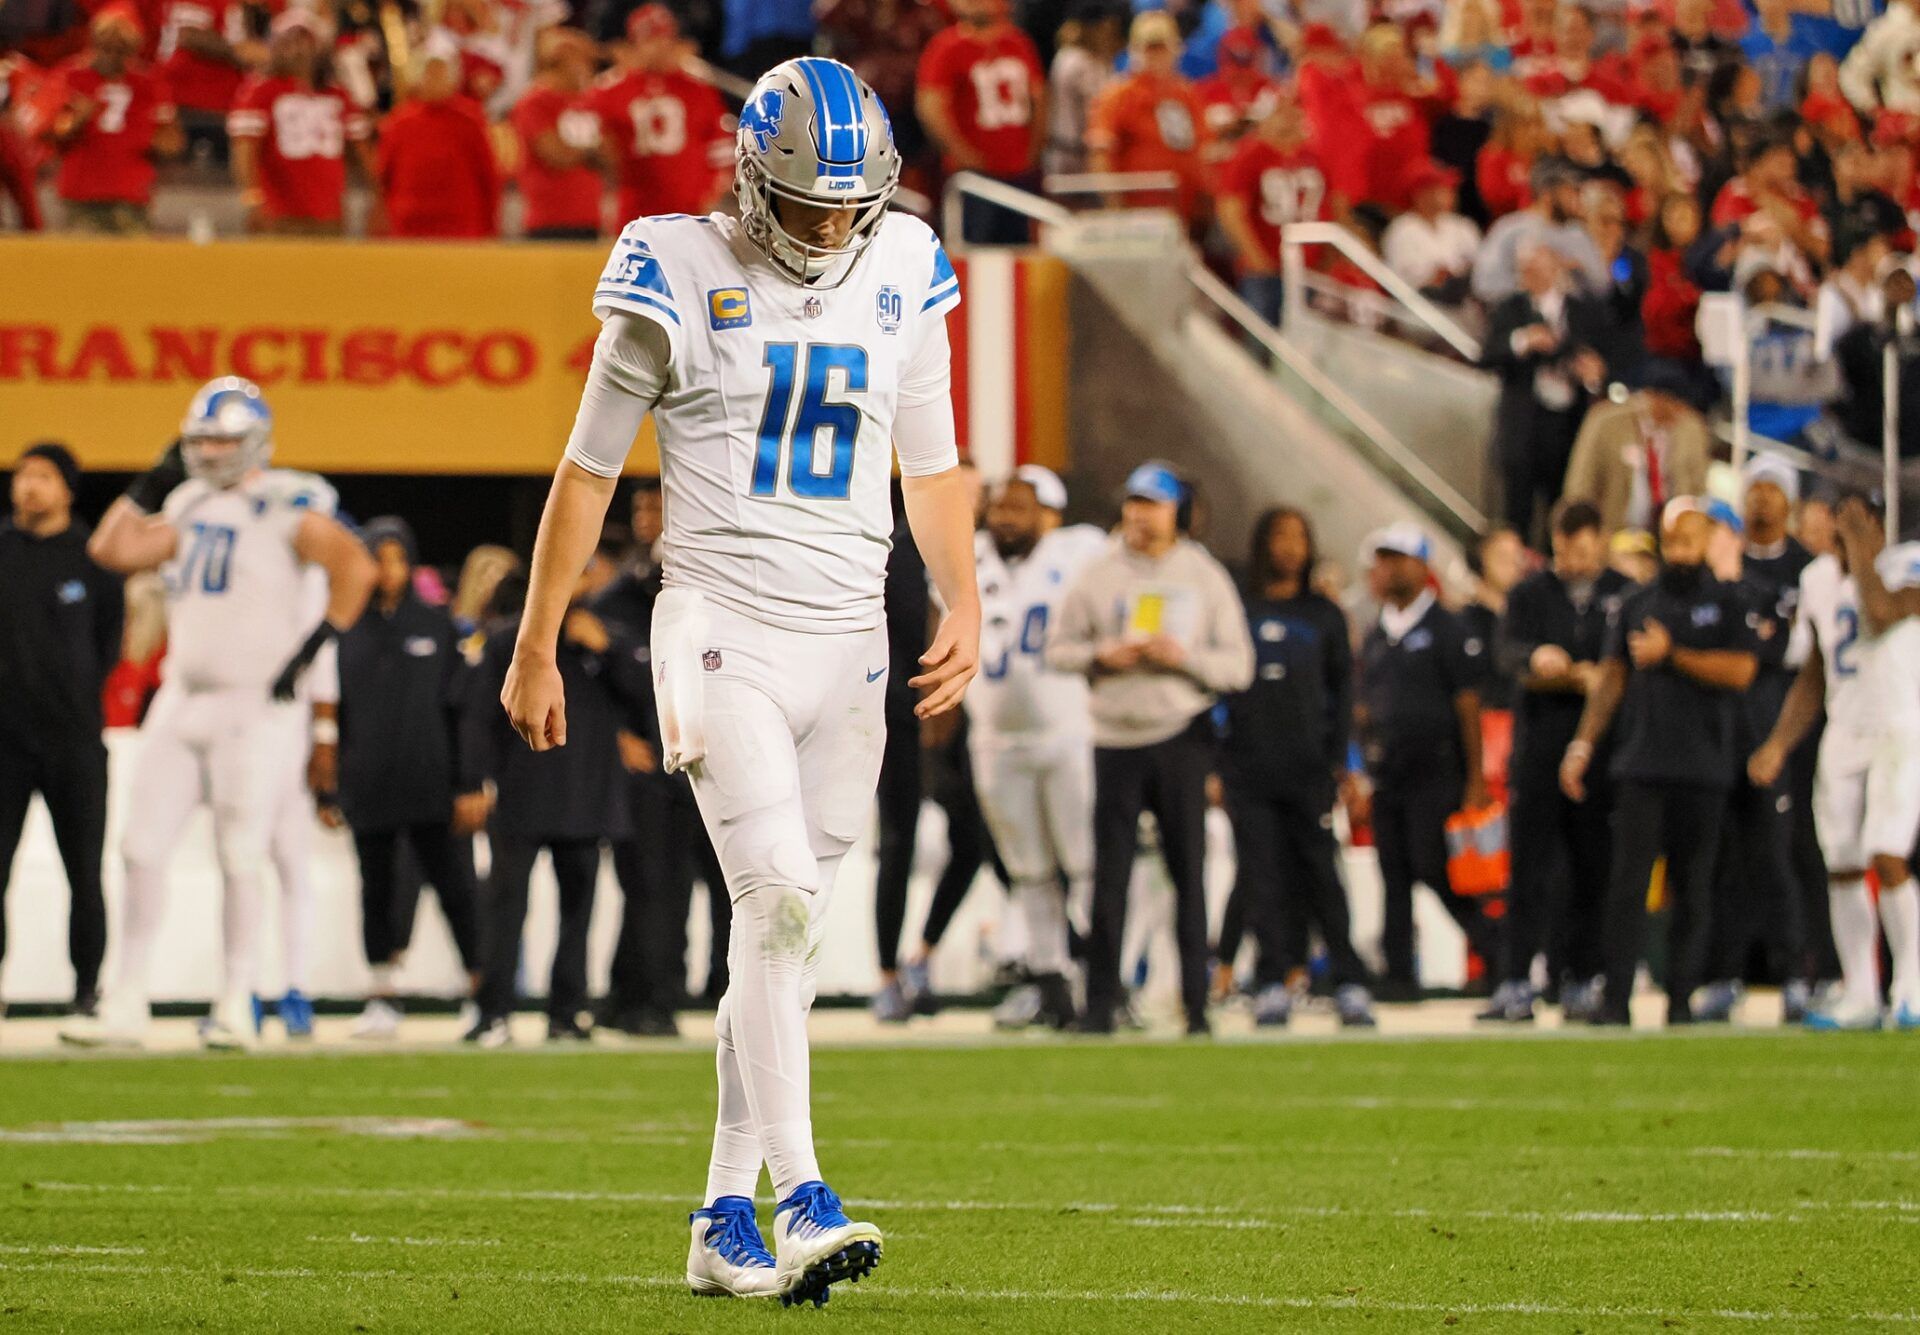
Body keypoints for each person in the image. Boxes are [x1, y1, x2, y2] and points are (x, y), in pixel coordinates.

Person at [497, 58, 980, 1305]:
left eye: (845, 203)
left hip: (853, 639)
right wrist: (536, 638)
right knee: (772, 900)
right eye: (806, 202)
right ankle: (804, 1192)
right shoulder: (674, 263)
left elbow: (930, 467)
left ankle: (721, 1212)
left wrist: (965, 596)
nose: (829, 226)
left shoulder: (905, 264)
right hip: (722, 624)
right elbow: (588, 473)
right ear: (751, 177)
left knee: (790, 932)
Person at [64, 379, 375, 1049]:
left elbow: (355, 564)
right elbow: (112, 552)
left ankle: (237, 997)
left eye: (223, 439)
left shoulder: (288, 500)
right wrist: (148, 483)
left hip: (255, 704)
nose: (209, 451)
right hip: (182, 694)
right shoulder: (187, 498)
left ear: (255, 441)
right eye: (200, 439)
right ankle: (126, 996)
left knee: (241, 852)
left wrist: (317, 644)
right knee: (140, 847)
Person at [1048, 461, 1255, 1036]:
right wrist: (1099, 656)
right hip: (1114, 737)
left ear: (1177, 512)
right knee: (1108, 877)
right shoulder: (1098, 573)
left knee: (1189, 873)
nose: (1140, 514)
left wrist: (1182, 660)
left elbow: (1238, 666)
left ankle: (1195, 1004)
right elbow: (1057, 649)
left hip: (1179, 735)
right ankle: (1100, 1007)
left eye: (1154, 504)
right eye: (1134, 502)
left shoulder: (1202, 574)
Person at [1561, 499, 1759, 1027]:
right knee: (1626, 885)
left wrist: (1674, 655)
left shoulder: (1729, 602)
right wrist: (1583, 745)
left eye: (1690, 540)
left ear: (1707, 540)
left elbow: (1741, 671)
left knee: (1694, 886)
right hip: (1641, 763)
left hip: (1703, 764)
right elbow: (1612, 678)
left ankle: (1681, 999)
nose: (1680, 551)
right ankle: (1616, 997)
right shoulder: (1635, 602)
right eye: (1673, 541)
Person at [1751, 496, 1920, 1031]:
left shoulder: (1906, 562)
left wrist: (1864, 549)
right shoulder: (1818, 578)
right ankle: (1861, 991)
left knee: (1886, 854)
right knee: (1842, 861)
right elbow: (1816, 668)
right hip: (1843, 729)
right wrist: (1780, 741)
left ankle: (1911, 990)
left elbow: (1882, 611)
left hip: (1898, 725)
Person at [465, 541, 641, 1046]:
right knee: (505, 908)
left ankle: (568, 1012)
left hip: (587, 795)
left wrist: (605, 648)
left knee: (578, 912)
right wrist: (475, 781)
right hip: (519, 795)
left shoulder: (605, 636)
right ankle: (492, 1011)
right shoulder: (511, 641)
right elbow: (479, 716)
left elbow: (645, 692)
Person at [958, 466, 1105, 1030]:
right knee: (1029, 871)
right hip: (995, 738)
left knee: (1085, 863)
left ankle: (1101, 978)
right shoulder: (971, 553)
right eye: (1000, 507)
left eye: (1019, 508)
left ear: (1051, 514)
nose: (1004, 518)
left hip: (1069, 730)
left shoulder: (1080, 550)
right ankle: (1051, 984)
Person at [1218, 506, 1375, 1028]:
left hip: (1310, 768)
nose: (1289, 547)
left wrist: (1344, 763)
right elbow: (1221, 693)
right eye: (1280, 536)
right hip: (1250, 767)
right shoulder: (1239, 610)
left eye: (1299, 537)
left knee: (1320, 874)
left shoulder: (1323, 615)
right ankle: (1272, 979)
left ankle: (1347, 979)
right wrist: (1218, 765)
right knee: (1262, 878)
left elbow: (1342, 694)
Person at [333, 516, 484, 1040]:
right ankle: (381, 994)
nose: (386, 570)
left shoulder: (438, 625)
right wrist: (334, 786)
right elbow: (339, 714)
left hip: (433, 784)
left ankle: (479, 993)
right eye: (377, 558)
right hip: (370, 784)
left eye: (396, 558)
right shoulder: (347, 628)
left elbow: (460, 711)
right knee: (375, 890)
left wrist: (469, 783)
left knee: (456, 889)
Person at [1481, 499, 1629, 1023]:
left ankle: (1581, 977)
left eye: (1587, 548)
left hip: (1600, 756)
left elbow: (1621, 671)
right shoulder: (1529, 594)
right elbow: (1509, 656)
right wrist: (1553, 668)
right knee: (1529, 871)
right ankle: (1516, 979)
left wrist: (1588, 677)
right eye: (1568, 549)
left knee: (1593, 869)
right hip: (1541, 750)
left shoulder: (1621, 594)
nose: (1577, 559)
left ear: (1601, 542)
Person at [595, 479, 729, 1036]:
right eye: (642, 507)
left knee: (727, 884)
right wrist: (614, 736)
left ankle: (721, 990)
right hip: (652, 767)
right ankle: (644, 996)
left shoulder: (714, 595)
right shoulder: (616, 601)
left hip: (711, 759)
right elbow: (596, 683)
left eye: (659, 506)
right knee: (654, 887)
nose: (649, 516)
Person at [0, 443, 122, 1020]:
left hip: (74, 743)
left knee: (85, 873)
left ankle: (87, 991)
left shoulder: (94, 557)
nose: (29, 486)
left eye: (43, 477)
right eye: (23, 475)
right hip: (4, 743)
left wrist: (71, 699)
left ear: (67, 489)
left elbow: (108, 644)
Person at [1353, 523, 1500, 999]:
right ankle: (1399, 974)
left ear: (1421, 566)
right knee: (1392, 873)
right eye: (1383, 559)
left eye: (1397, 558)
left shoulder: (1446, 628)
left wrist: (1474, 777)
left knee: (1436, 869)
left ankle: (1497, 953)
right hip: (1388, 771)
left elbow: (1467, 703)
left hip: (1436, 771)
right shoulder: (1377, 634)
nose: (1387, 568)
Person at [1695, 461, 1816, 1024]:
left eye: (1773, 490)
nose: (1762, 500)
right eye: (1754, 490)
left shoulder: (1806, 569)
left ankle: (1798, 973)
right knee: (1723, 854)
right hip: (1722, 721)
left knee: (1778, 850)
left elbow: (1790, 650)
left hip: (1781, 718)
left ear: (1788, 501)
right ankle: (1724, 973)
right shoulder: (1725, 572)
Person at [1482, 242, 1619, 541]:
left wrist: (1594, 375)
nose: (1532, 275)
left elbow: (1608, 363)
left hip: (1567, 423)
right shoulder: (1511, 308)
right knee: (1517, 507)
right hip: (1523, 423)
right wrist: (1523, 341)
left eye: (1538, 268)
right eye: (1526, 270)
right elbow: (1487, 355)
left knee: (1563, 501)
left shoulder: (1584, 311)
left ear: (1556, 268)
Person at [34, 4, 182, 233]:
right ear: (93, 44)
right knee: (84, 262)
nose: (112, 57)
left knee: (135, 263)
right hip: (81, 191)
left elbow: (171, 143)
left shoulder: (149, 85)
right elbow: (44, 133)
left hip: (131, 191)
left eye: (121, 50)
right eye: (106, 48)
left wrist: (152, 137)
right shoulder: (69, 77)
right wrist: (75, 121)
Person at [228, 9, 372, 235]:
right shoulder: (260, 91)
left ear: (316, 46)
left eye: (302, 40)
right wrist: (253, 199)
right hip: (278, 215)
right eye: (287, 41)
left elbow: (362, 153)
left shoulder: (338, 95)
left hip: (330, 215)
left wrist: (377, 198)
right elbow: (245, 150)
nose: (295, 49)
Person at [915, 0, 1046, 245]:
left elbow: (1039, 100)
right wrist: (963, 155)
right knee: (974, 253)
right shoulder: (946, 47)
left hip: (1020, 172)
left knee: (1022, 255)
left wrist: (1033, 152)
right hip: (973, 178)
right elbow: (930, 107)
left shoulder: (1018, 42)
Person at [595, 5, 732, 226]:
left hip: (690, 210)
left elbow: (722, 147)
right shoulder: (611, 89)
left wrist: (711, 193)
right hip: (632, 210)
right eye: (650, 41)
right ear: (634, 45)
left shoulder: (698, 88)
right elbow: (595, 146)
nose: (659, 48)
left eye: (664, 39)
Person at [1215, 96, 1334, 327]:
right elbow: (1230, 210)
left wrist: (1326, 259)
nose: (1289, 119)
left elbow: (1330, 209)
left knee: (1306, 339)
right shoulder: (1249, 156)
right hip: (1266, 269)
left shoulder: (1313, 156)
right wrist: (1256, 258)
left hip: (1309, 269)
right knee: (1262, 337)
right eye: (1282, 113)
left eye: (1294, 112)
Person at [1086, 11, 1209, 231]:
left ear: (1175, 49)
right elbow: (1101, 155)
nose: (1156, 55)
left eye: (1162, 47)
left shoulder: (1186, 93)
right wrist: (1117, 208)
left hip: (1185, 213)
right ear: (1134, 50)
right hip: (1138, 215)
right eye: (1150, 48)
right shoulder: (1118, 96)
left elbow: (1203, 147)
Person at [1561, 365, 1713, 537]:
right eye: (1674, 405)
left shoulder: (1690, 429)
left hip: (1666, 537)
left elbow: (1698, 489)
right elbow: (1580, 485)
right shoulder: (1606, 423)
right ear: (1656, 397)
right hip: (1612, 534)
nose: (1679, 413)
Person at [375, 35, 500, 239]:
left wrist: (490, 227)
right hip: (410, 226)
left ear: (453, 80)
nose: (434, 80)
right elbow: (383, 177)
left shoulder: (470, 121)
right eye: (429, 74)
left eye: (441, 74)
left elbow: (488, 176)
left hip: (461, 228)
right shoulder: (399, 123)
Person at [511, 27, 606, 241]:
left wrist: (586, 152)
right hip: (548, 220)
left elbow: (612, 161)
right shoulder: (534, 102)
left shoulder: (591, 102)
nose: (589, 69)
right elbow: (557, 156)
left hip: (589, 218)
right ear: (563, 62)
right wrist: (592, 151)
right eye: (583, 60)